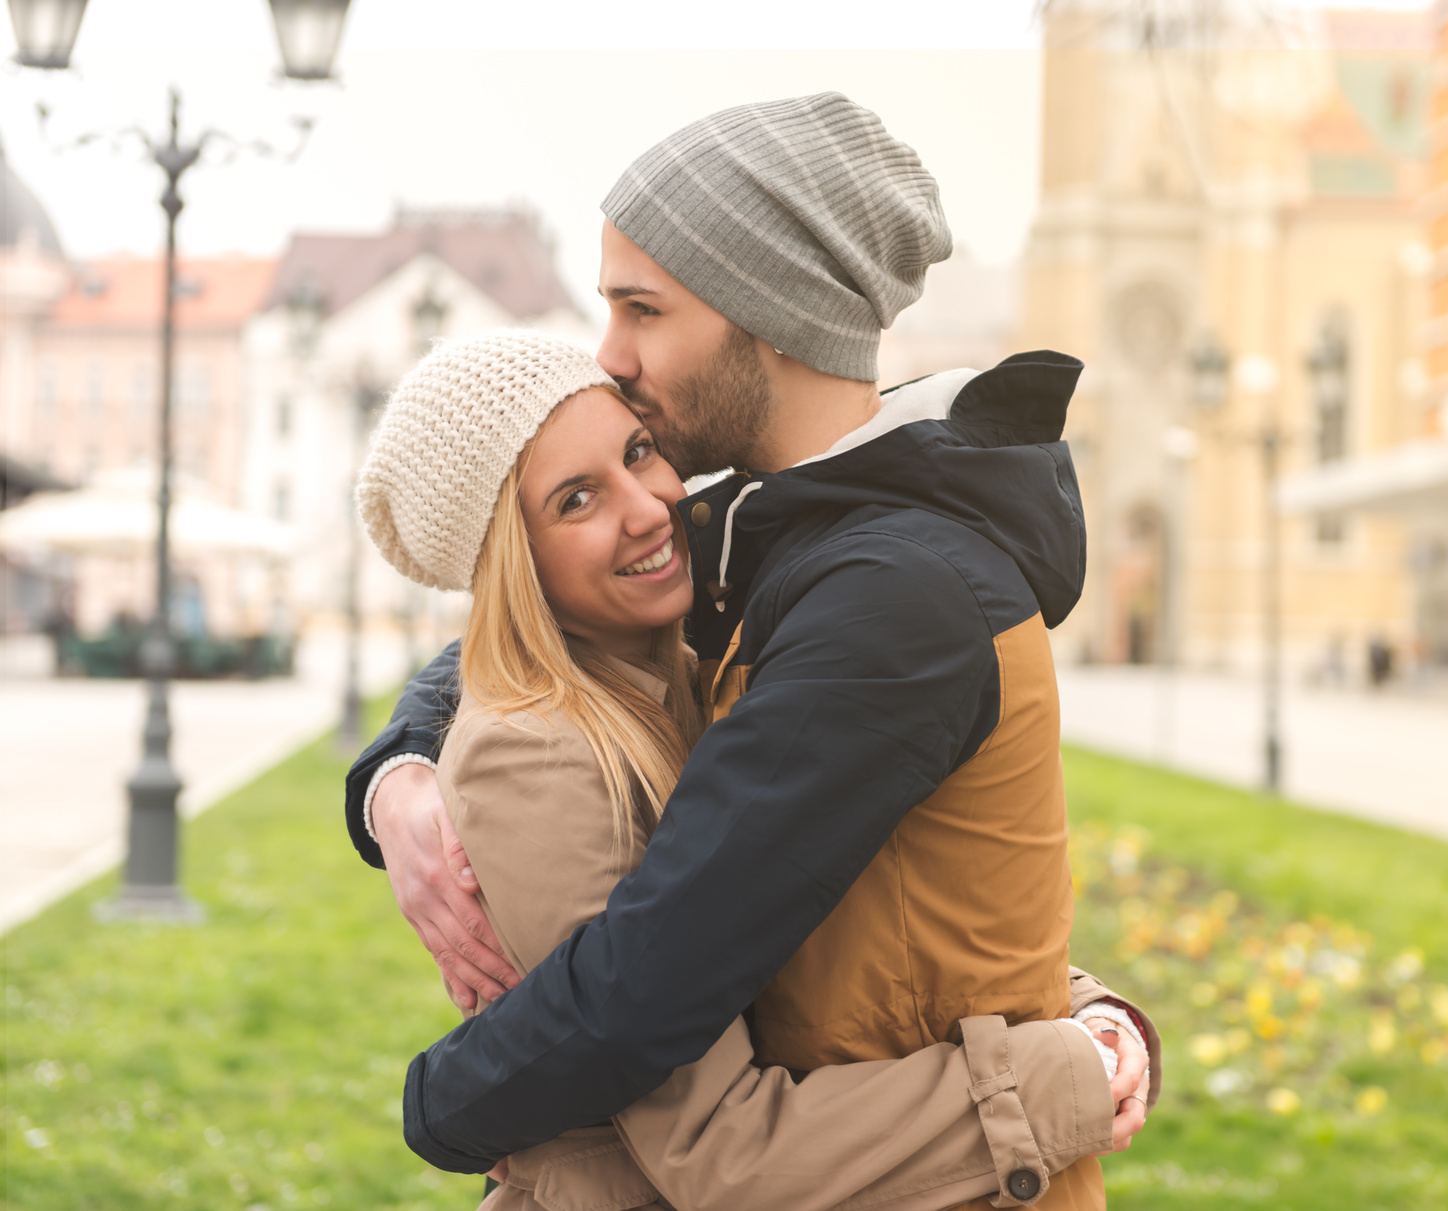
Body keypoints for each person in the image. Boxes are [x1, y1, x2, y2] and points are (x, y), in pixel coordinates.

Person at [347, 94, 1160, 1209]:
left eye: (643, 309)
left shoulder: (883, 593)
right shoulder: (773, 529)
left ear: (767, 314)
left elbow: (643, 990)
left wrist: (440, 1105)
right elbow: (537, 624)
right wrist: (397, 770)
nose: (611, 356)